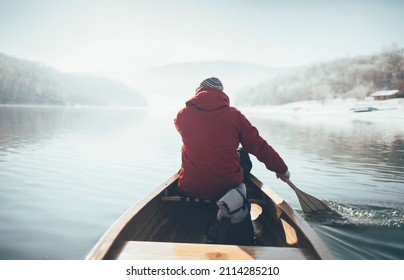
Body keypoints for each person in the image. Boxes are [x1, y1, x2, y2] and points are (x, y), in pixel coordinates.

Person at [174, 77, 290, 245]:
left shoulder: (182, 115)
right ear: (221, 94)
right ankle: (236, 198)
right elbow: (258, 145)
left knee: (191, 152)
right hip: (226, 185)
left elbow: (201, 138)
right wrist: (281, 168)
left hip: (191, 187)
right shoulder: (234, 116)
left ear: (198, 92)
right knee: (243, 155)